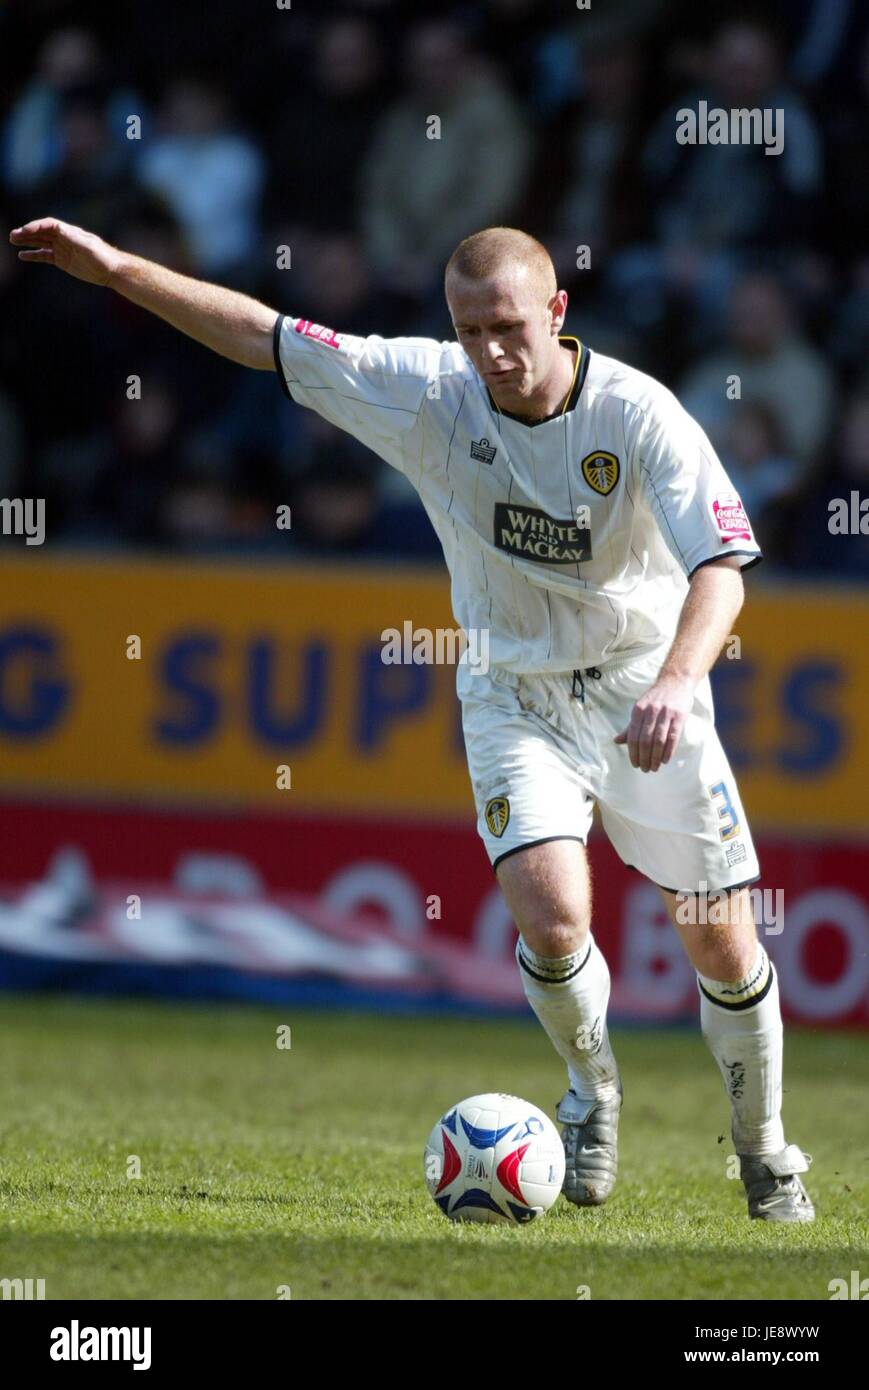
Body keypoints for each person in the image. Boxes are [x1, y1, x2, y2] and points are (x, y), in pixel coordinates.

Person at [8, 215, 814, 1222]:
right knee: (551, 911)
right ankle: (592, 1089)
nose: (489, 351)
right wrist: (119, 268)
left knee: (722, 946)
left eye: (509, 327)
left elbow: (721, 570)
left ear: (556, 313)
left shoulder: (638, 416)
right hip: (513, 693)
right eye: (469, 329)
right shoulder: (427, 389)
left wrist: (673, 680)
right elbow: (263, 334)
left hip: (645, 692)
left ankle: (764, 1149)